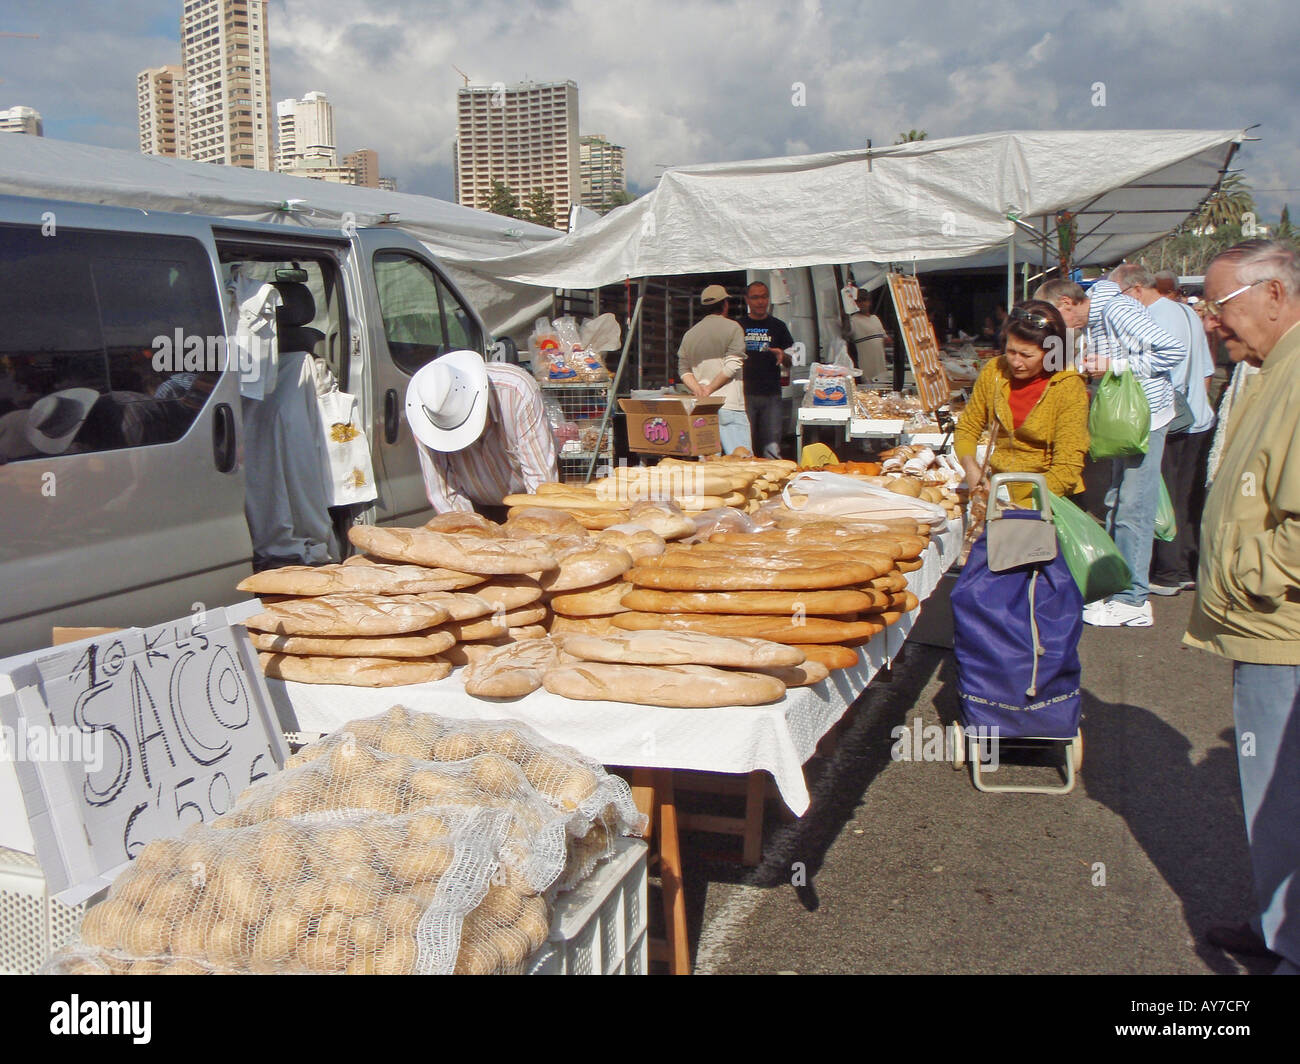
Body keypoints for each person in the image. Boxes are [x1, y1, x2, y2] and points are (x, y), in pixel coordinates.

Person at [1184, 239, 1300, 975]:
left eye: (1220, 306)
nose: (1212, 323)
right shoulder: (1269, 370)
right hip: (1267, 624)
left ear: (1276, 296)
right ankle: (1279, 925)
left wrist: (1244, 575)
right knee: (1274, 803)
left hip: (1281, 627)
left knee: (1280, 801)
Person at [1035, 275, 1184, 627]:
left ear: (1068, 304)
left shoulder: (1116, 309)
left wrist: (1115, 367)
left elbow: (1173, 351)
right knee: (1119, 500)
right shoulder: (1101, 316)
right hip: (1126, 421)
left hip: (1144, 418)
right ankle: (1120, 588)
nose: (1058, 327)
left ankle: (1134, 599)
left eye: (1057, 318)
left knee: (1135, 506)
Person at [1111, 264, 1217, 596]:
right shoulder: (1186, 313)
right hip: (1198, 417)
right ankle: (1185, 566)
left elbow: (1157, 373)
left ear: (1137, 290)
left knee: (1161, 497)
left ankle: (1169, 571)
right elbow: (1205, 370)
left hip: (1169, 420)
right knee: (1187, 498)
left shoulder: (1153, 318)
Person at [953, 300, 1090, 506]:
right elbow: (968, 427)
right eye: (1011, 351)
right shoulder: (995, 371)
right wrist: (971, 467)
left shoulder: (1068, 386)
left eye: (1026, 355)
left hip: (1053, 500)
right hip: (1001, 492)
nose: (1016, 362)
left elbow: (1067, 466)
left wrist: (1022, 507)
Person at [407, 349, 559, 519]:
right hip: (476, 507)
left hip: (526, 501)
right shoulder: (426, 413)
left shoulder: (516, 391)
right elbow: (444, 493)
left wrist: (532, 532)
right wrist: (469, 533)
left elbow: (540, 482)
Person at [677, 284, 750, 454]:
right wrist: (710, 388)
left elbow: (683, 369)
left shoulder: (690, 334)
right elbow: (733, 364)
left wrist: (699, 390)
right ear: (725, 304)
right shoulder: (733, 328)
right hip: (730, 404)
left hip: (703, 407)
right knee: (741, 464)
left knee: (709, 468)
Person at [738, 280, 794, 460]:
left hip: (771, 395)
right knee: (744, 447)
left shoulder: (779, 326)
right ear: (747, 300)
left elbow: (792, 361)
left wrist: (783, 356)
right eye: (755, 297)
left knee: (772, 446)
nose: (760, 302)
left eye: (764, 297)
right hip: (744, 394)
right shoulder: (738, 326)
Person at [849, 290, 888, 381]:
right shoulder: (852, 320)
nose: (862, 304)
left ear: (869, 302)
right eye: (859, 301)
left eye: (864, 300)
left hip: (880, 362)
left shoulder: (875, 318)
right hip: (866, 363)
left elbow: (885, 338)